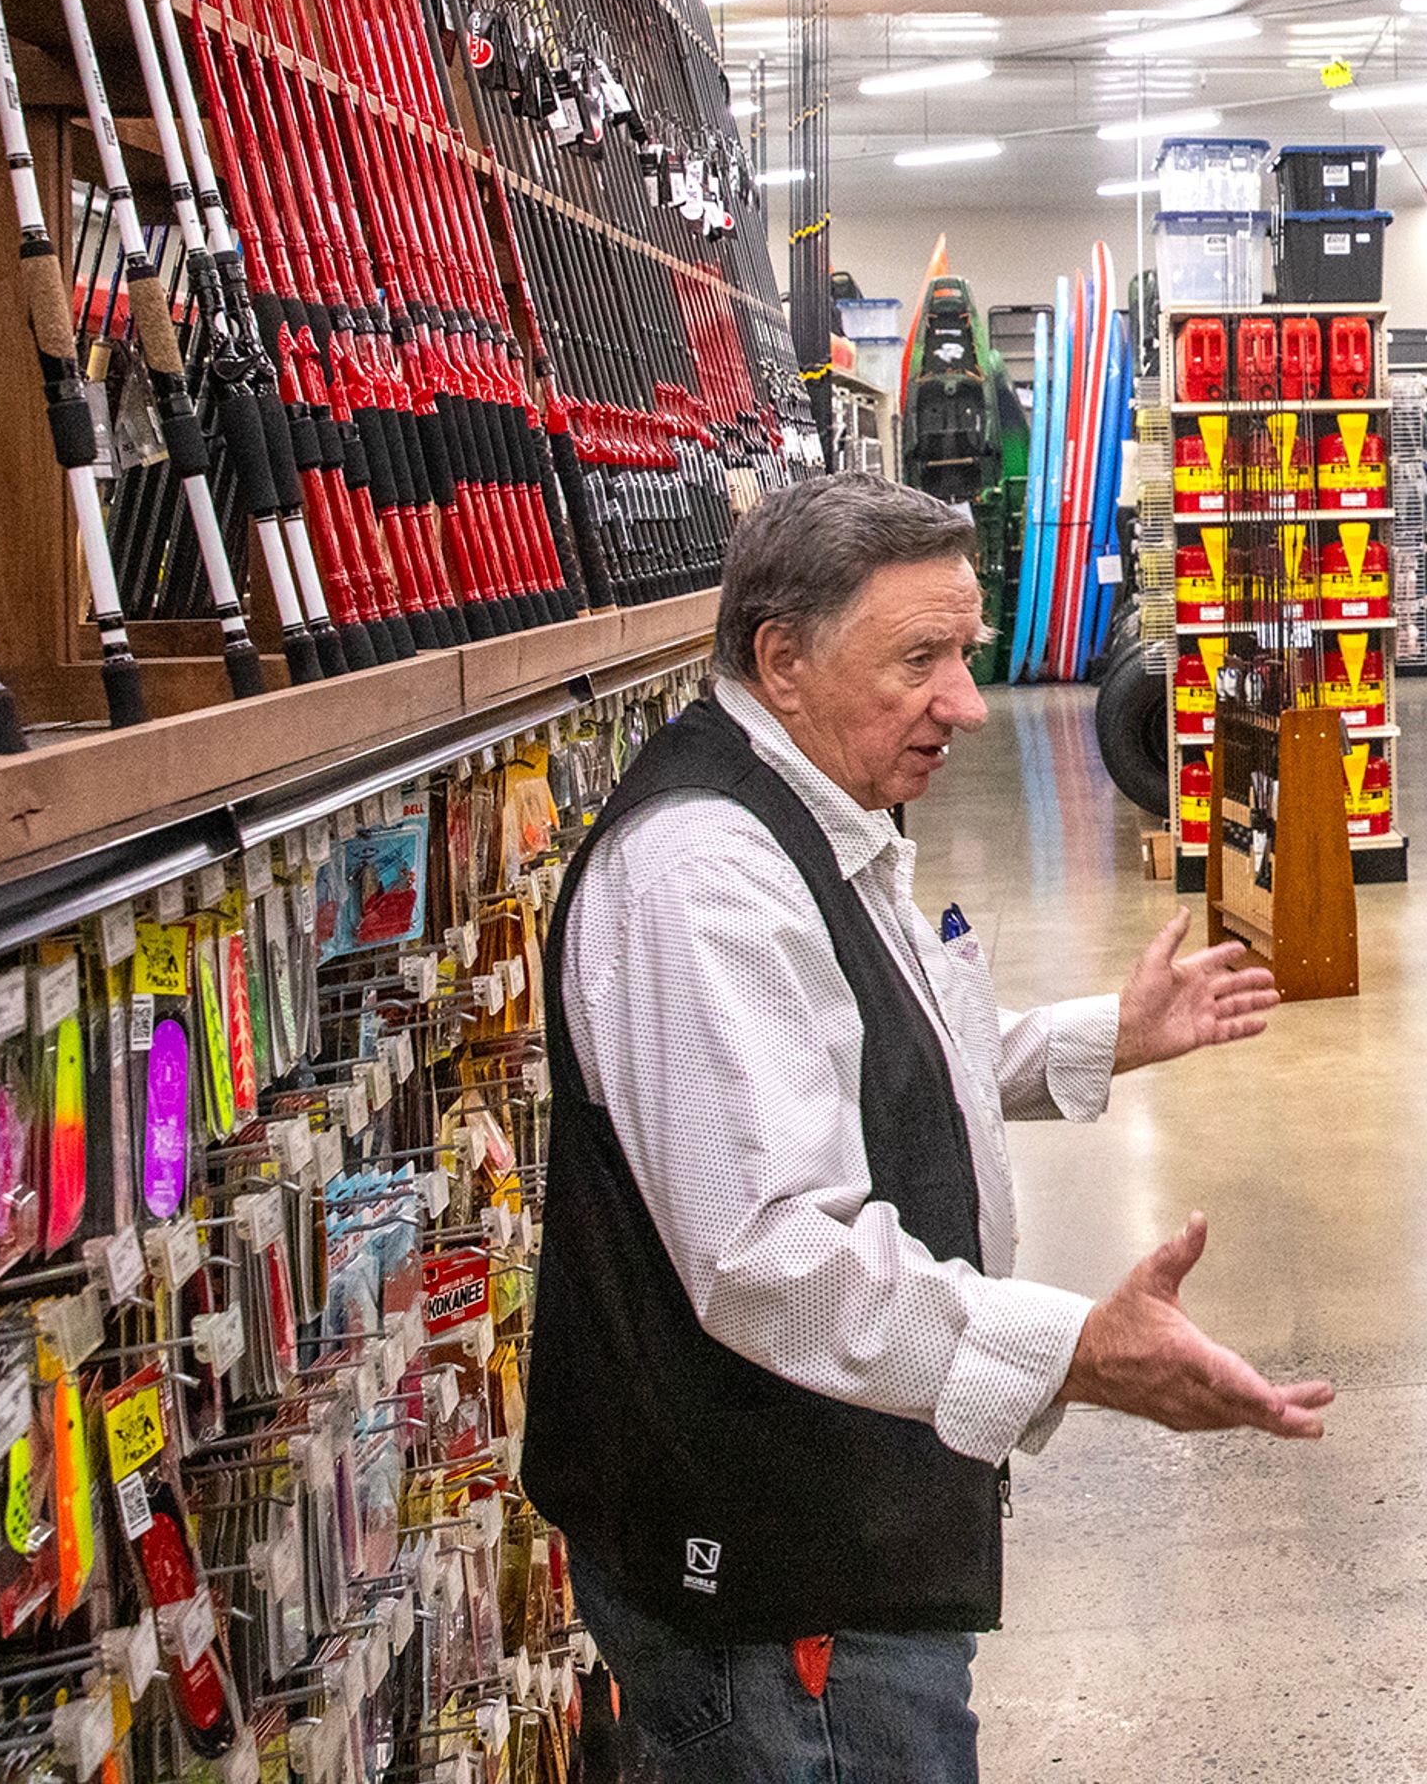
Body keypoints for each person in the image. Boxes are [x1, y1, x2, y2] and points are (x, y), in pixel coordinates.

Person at [522, 474, 1332, 1780]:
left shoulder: (822, 807)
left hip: (854, 1519)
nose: (966, 699)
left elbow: (852, 1050)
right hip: (780, 1575)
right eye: (922, 658)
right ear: (781, 659)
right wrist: (1073, 1350)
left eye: (965, 649)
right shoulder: (705, 882)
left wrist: (1093, 1040)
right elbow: (772, 1256)